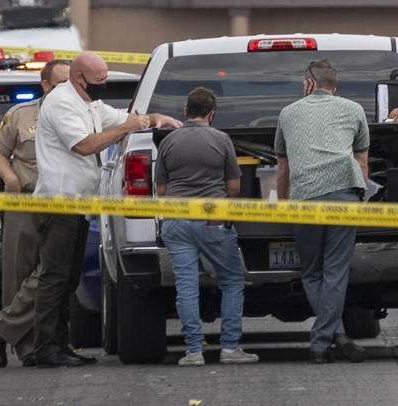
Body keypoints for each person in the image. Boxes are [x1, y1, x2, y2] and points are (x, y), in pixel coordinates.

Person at [31, 52, 180, 368]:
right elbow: (85, 144)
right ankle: (46, 348)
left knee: (68, 279)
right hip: (60, 203)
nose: (104, 85)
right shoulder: (62, 103)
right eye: (99, 80)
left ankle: (59, 345)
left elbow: (123, 117)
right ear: (79, 78)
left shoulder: (89, 102)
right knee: (55, 277)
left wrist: (155, 118)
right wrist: (128, 127)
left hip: (79, 205)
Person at [275, 59, 370, 365]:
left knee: (312, 272)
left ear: (309, 83)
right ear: (334, 86)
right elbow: (362, 162)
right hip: (345, 194)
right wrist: (362, 199)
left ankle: (322, 341)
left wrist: (283, 203)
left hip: (306, 199)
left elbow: (283, 167)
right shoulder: (354, 110)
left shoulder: (288, 113)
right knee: (335, 271)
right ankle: (334, 337)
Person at [156, 87, 257, 366]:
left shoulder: (168, 141)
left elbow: (161, 190)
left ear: (185, 111)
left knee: (186, 286)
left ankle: (193, 351)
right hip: (213, 220)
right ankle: (230, 348)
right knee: (232, 281)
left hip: (176, 220)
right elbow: (234, 187)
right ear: (212, 114)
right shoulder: (221, 140)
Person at [0, 59, 70, 368]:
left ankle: (1, 328)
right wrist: (10, 179)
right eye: (60, 84)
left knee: (53, 271)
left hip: (63, 202)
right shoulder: (20, 114)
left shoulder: (80, 113)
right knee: (19, 274)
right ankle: (27, 348)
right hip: (25, 200)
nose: (67, 90)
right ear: (45, 85)